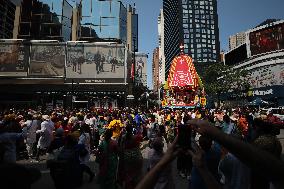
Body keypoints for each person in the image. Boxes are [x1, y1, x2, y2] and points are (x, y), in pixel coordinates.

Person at [118, 124, 143, 189]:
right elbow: (139, 145)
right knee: (137, 174)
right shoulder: (136, 137)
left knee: (128, 174)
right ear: (132, 129)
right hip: (137, 156)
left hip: (127, 157)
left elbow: (121, 147)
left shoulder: (124, 137)